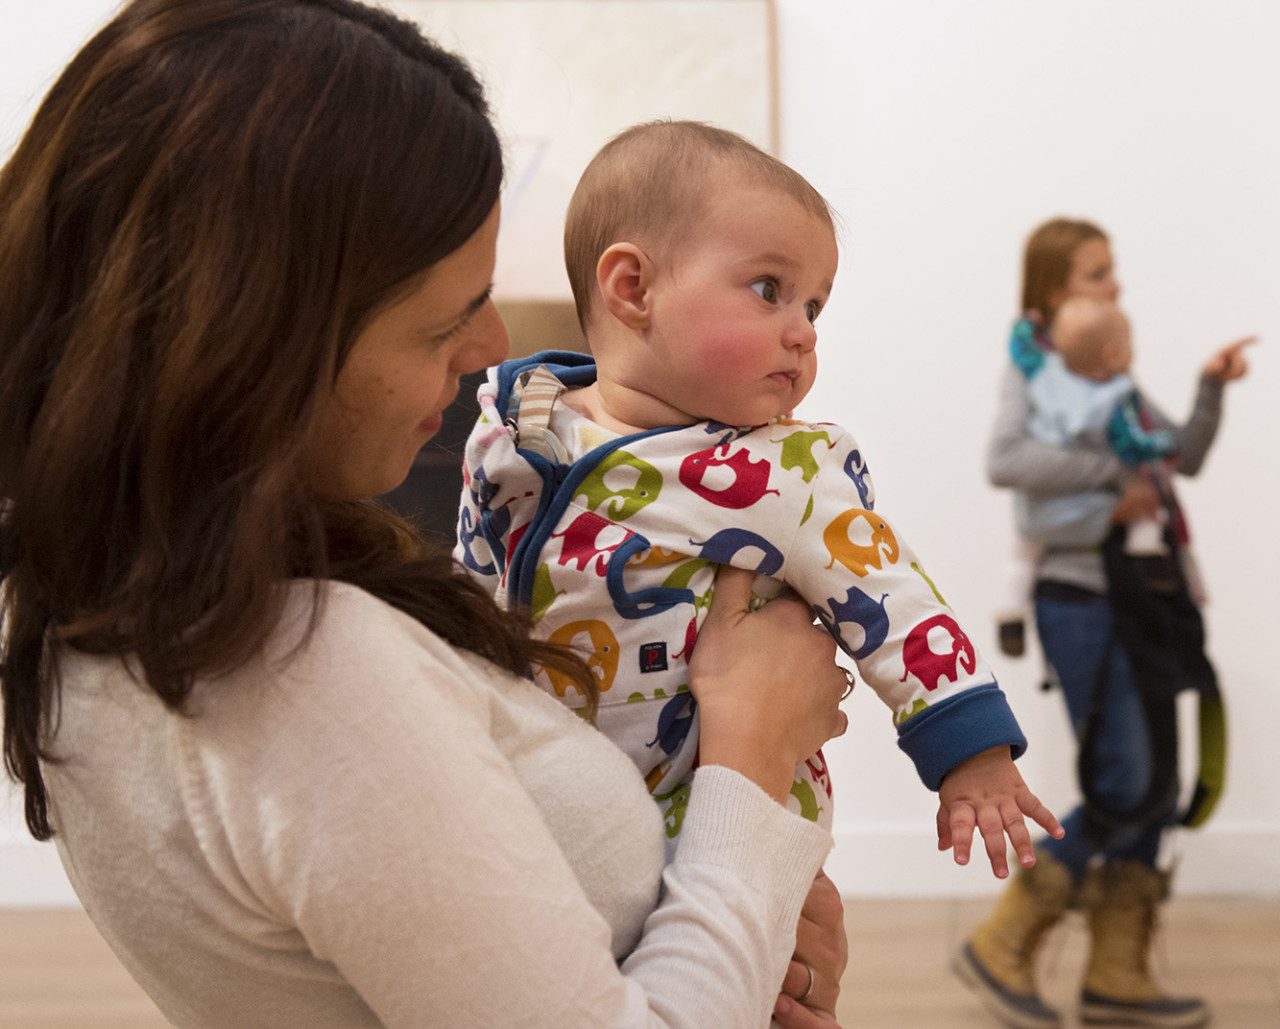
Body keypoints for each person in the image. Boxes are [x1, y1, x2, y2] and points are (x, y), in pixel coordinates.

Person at [0, 2, 854, 1026]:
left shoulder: (104, 604)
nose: (490, 347)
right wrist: (750, 769)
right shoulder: (304, 674)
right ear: (260, 336)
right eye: (442, 319)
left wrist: (739, 928)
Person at [456, 120, 1063, 880]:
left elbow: (896, 600)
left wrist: (973, 751)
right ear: (633, 288)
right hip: (542, 807)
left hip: (713, 813)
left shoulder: (784, 470)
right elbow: (468, 577)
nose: (803, 333)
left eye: (814, 307)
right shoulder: (514, 428)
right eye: (770, 291)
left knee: (741, 989)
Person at [957, 217, 1253, 1028]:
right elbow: (1006, 461)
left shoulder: (1109, 378)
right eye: (1098, 274)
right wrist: (1111, 479)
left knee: (1154, 786)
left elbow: (1178, 454)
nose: (1115, 285)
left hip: (1144, 599)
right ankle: (1004, 936)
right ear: (1055, 292)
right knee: (1126, 778)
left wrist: (1210, 385)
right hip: (1079, 601)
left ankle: (1117, 976)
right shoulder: (1036, 371)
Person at [992, 296, 1177, 658]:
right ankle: (1146, 554)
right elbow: (1132, 443)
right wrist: (1159, 444)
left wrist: (1022, 328)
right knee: (1146, 505)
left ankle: (1010, 614)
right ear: (1111, 354)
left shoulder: (1044, 378)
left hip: (1042, 501)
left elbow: (1021, 351)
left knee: (1023, 553)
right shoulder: (1117, 394)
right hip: (1100, 504)